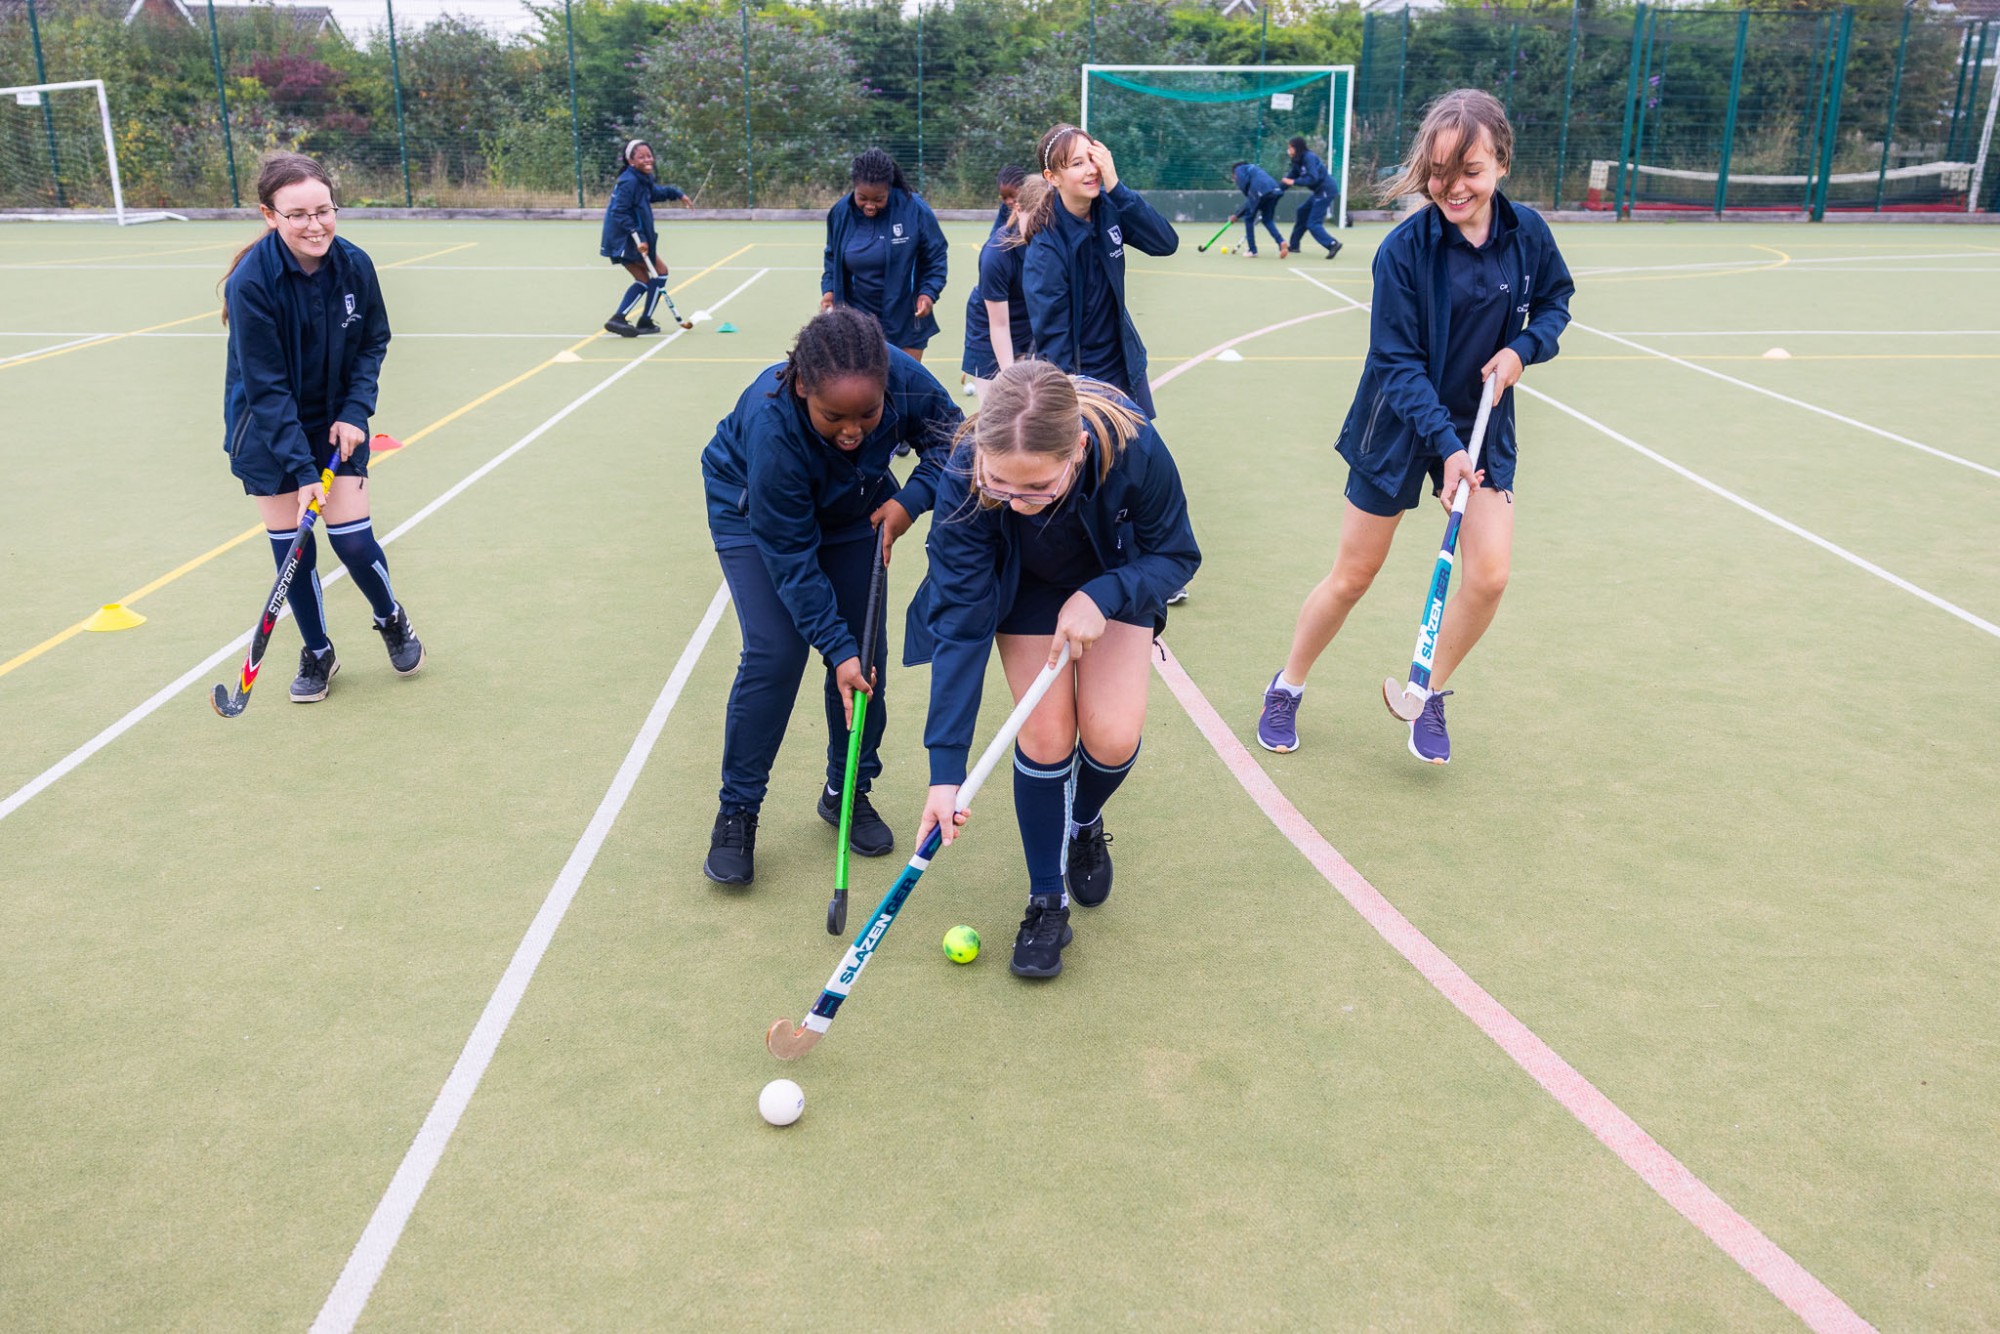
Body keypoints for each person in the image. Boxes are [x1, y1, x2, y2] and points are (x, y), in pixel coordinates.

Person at [1255, 89, 1574, 765]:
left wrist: (1523, 349)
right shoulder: (1403, 250)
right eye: (1438, 172)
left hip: (1482, 420)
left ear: (1502, 163)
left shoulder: (1527, 233)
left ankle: (1425, 692)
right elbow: (1396, 364)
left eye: (1471, 171)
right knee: (1353, 575)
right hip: (1401, 420)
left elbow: (1554, 303)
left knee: (1489, 576)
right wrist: (1447, 448)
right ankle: (1287, 685)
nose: (1454, 187)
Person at [908, 360, 1200, 979]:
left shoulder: (1135, 448)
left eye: (1038, 488)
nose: (1017, 503)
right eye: (1000, 486)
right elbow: (961, 622)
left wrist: (1105, 594)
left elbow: (1176, 554)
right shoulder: (966, 472)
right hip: (1025, 586)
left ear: (1078, 451)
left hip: (1113, 575)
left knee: (1112, 736)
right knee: (1045, 736)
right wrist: (945, 772)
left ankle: (1082, 821)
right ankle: (1047, 901)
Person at [699, 307, 964, 885]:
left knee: (865, 663)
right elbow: (792, 557)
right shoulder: (772, 427)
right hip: (754, 514)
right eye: (834, 417)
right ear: (801, 387)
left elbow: (954, 439)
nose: (852, 431)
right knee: (776, 652)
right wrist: (834, 647)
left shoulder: (898, 374)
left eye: (868, 415)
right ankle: (737, 810)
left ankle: (846, 791)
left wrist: (910, 500)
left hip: (854, 508)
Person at [218, 151, 423, 704]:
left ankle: (390, 616)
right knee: (295, 552)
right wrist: (301, 470)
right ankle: (317, 651)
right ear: (270, 216)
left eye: (324, 210)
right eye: (298, 215)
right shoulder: (251, 284)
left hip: (336, 423)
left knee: (353, 542)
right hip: (268, 431)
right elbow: (267, 389)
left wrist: (355, 411)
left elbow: (373, 341)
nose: (315, 225)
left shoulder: (354, 264)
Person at [1014, 125, 1178, 420]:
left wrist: (1117, 187)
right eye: (1077, 164)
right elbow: (1054, 341)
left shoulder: (1109, 207)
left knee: (1144, 446)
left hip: (1126, 363)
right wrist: (1071, 401)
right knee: (1101, 450)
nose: (1091, 170)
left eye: (1092, 159)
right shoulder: (1046, 250)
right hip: (1085, 379)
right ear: (1053, 178)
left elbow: (1165, 243)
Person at [820, 149, 948, 361]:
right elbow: (832, 257)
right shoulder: (840, 212)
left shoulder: (914, 209)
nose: (870, 206)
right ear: (854, 188)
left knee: (902, 380)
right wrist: (829, 291)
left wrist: (928, 293)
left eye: (879, 199)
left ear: (889, 188)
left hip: (906, 319)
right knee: (861, 381)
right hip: (856, 322)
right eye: (862, 198)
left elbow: (936, 256)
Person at [599, 139, 693, 337]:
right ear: (631, 161)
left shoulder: (642, 178)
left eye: (649, 155)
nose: (647, 160)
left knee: (646, 278)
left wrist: (677, 194)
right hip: (625, 238)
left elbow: (653, 193)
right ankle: (639, 320)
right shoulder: (629, 182)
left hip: (633, 237)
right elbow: (619, 211)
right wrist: (639, 237)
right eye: (641, 157)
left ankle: (626, 319)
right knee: (659, 272)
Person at [960, 186, 1032, 404]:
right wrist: (1010, 375)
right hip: (990, 325)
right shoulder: (995, 254)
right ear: (1019, 210)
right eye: (1036, 218)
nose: (1042, 226)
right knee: (993, 410)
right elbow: (999, 325)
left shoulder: (1053, 241)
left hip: (1028, 322)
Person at [1281, 135, 1343, 260]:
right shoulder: (1297, 161)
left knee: (1313, 223)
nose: (1289, 150)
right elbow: (1289, 178)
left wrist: (1294, 182)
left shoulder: (1309, 157)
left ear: (1297, 148)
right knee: (1302, 211)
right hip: (1318, 191)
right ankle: (1294, 246)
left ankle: (1332, 244)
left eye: (1290, 148)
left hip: (1326, 190)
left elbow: (1313, 178)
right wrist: (1277, 190)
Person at [1228, 160, 1288, 258]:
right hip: (1274, 189)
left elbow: (1249, 198)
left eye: (1234, 176)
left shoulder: (1239, 170)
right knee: (1267, 219)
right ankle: (1281, 242)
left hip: (1260, 190)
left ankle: (1252, 250)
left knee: (1248, 218)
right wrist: (1238, 214)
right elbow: (1251, 199)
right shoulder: (1254, 169)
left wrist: (1237, 215)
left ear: (1234, 173)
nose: (1235, 178)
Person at [991, 163, 1026, 232]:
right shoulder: (1005, 208)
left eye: (1013, 196)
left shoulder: (1035, 209)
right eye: (1004, 198)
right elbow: (995, 234)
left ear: (1024, 189)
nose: (1009, 201)